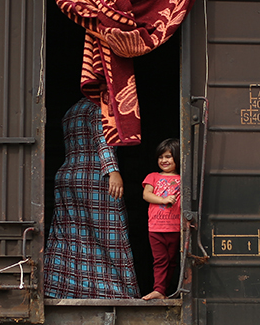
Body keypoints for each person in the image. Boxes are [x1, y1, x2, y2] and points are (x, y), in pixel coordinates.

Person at [44, 98, 139, 299]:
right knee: (111, 234)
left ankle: (60, 288)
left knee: (69, 236)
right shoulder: (100, 107)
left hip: (67, 174)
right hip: (94, 175)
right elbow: (102, 138)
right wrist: (113, 170)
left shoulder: (71, 109)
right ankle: (117, 292)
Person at [141, 138, 181, 300]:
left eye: (168, 157)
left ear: (177, 158)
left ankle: (164, 290)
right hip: (156, 228)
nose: (164, 160)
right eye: (161, 157)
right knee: (160, 260)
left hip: (176, 228)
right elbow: (146, 195)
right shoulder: (153, 177)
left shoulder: (183, 179)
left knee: (172, 261)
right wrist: (164, 200)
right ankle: (158, 290)